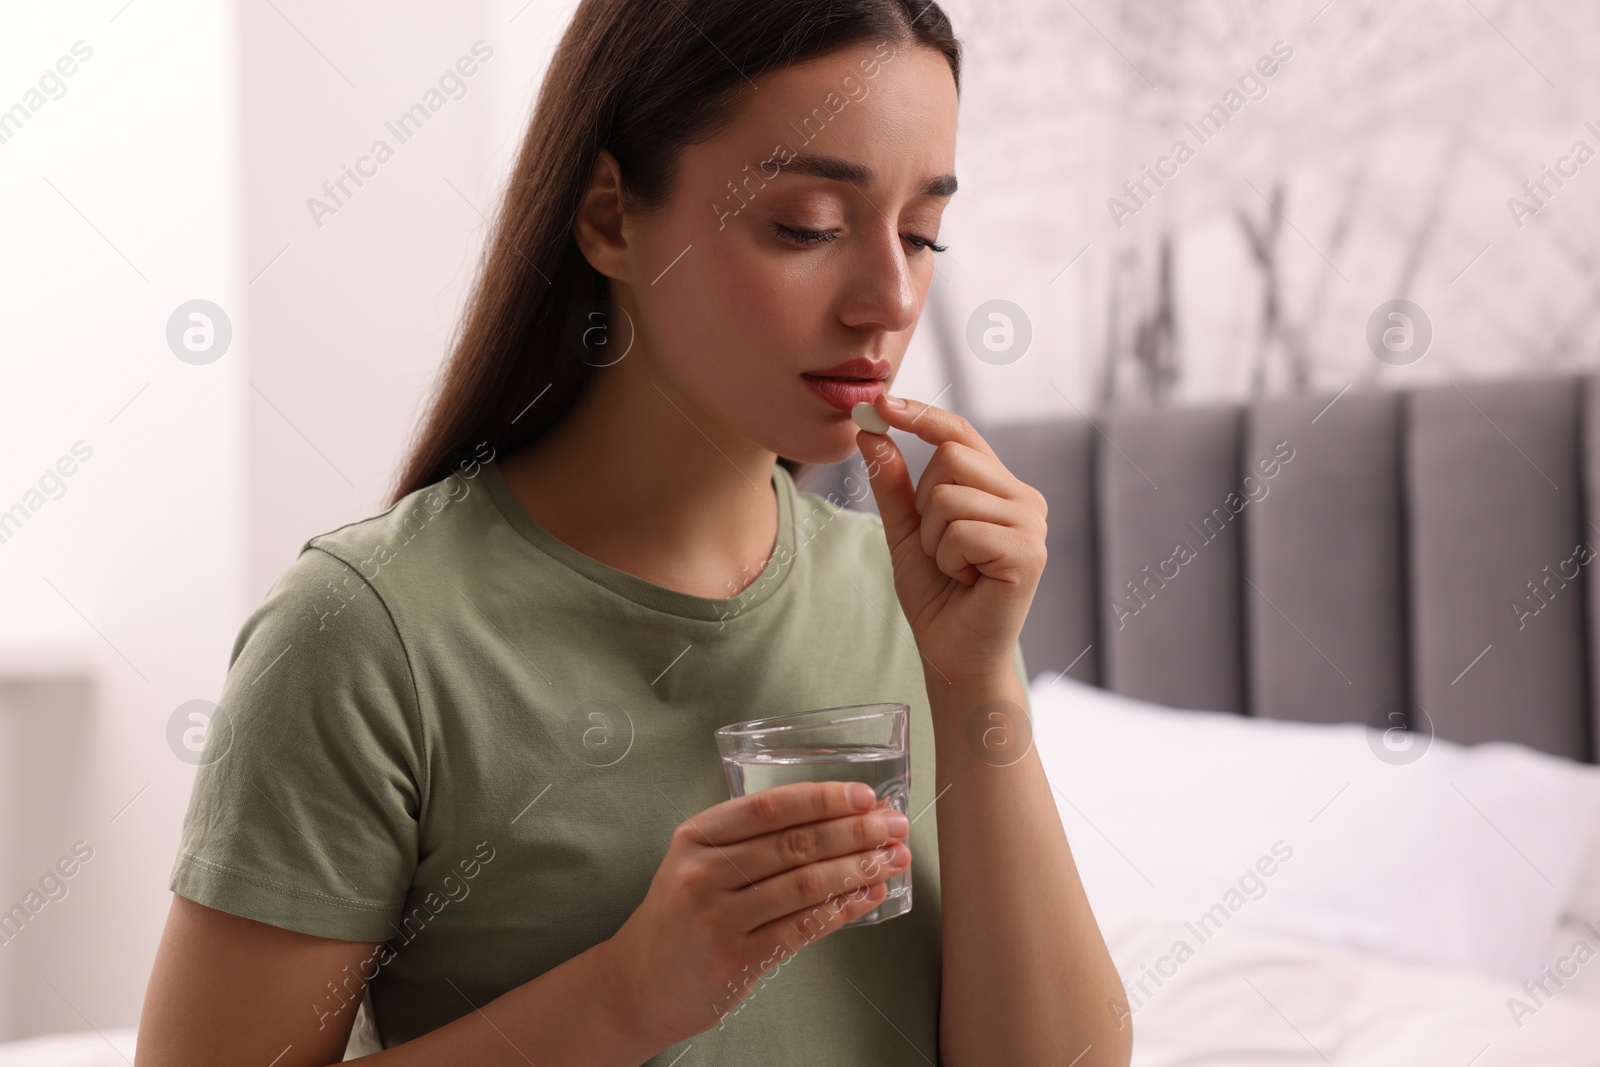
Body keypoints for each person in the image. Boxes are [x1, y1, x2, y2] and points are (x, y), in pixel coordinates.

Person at [135, 1, 1130, 1063]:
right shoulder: (364, 633)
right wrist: (624, 995)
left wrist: (980, 684)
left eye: (922, 233)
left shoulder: (916, 598)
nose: (888, 297)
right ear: (610, 216)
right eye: (807, 223)